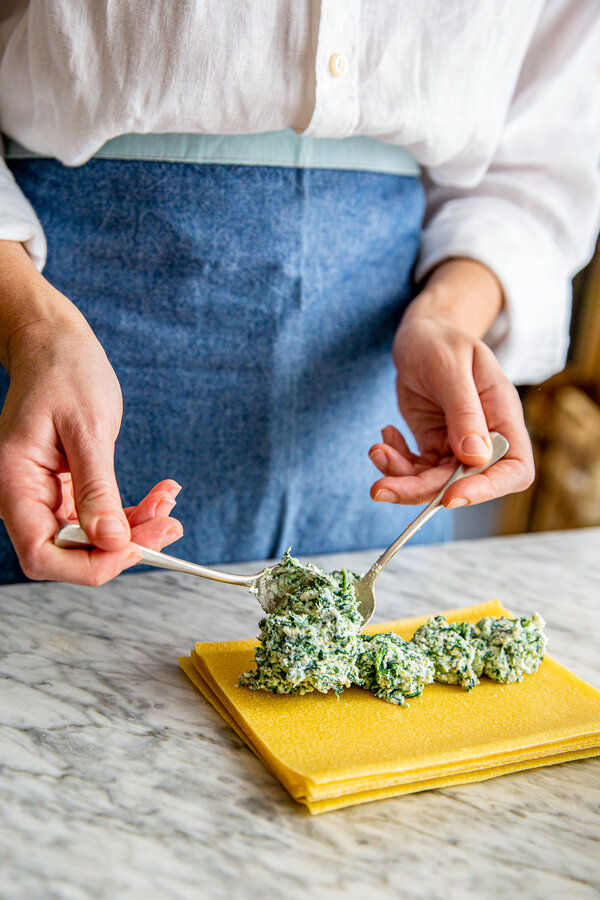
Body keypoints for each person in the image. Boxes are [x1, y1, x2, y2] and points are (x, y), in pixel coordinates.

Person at [0, 1, 598, 586]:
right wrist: (32, 328)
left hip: (374, 376)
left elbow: (540, 159)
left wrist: (449, 316)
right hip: (55, 323)